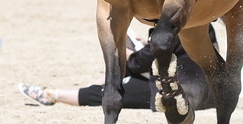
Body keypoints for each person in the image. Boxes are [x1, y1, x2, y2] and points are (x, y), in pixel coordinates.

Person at [18, 26, 215, 110]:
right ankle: (81, 89)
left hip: (179, 92)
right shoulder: (197, 21)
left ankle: (52, 95)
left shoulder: (169, 28)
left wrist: (128, 54)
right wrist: (146, 46)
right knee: (115, 79)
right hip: (198, 86)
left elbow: (138, 64)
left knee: (111, 92)